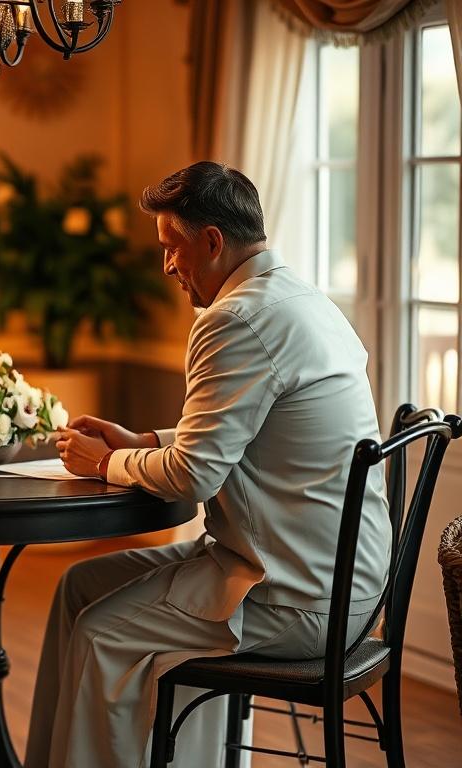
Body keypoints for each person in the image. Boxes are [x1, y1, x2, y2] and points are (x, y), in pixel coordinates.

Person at [26, 162, 390, 768]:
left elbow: (196, 477)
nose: (168, 266)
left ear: (212, 241)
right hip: (349, 585)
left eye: (172, 247)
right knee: (79, 586)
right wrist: (142, 438)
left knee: (100, 632)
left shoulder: (234, 318)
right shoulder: (302, 299)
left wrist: (106, 463)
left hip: (294, 596)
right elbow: (258, 433)